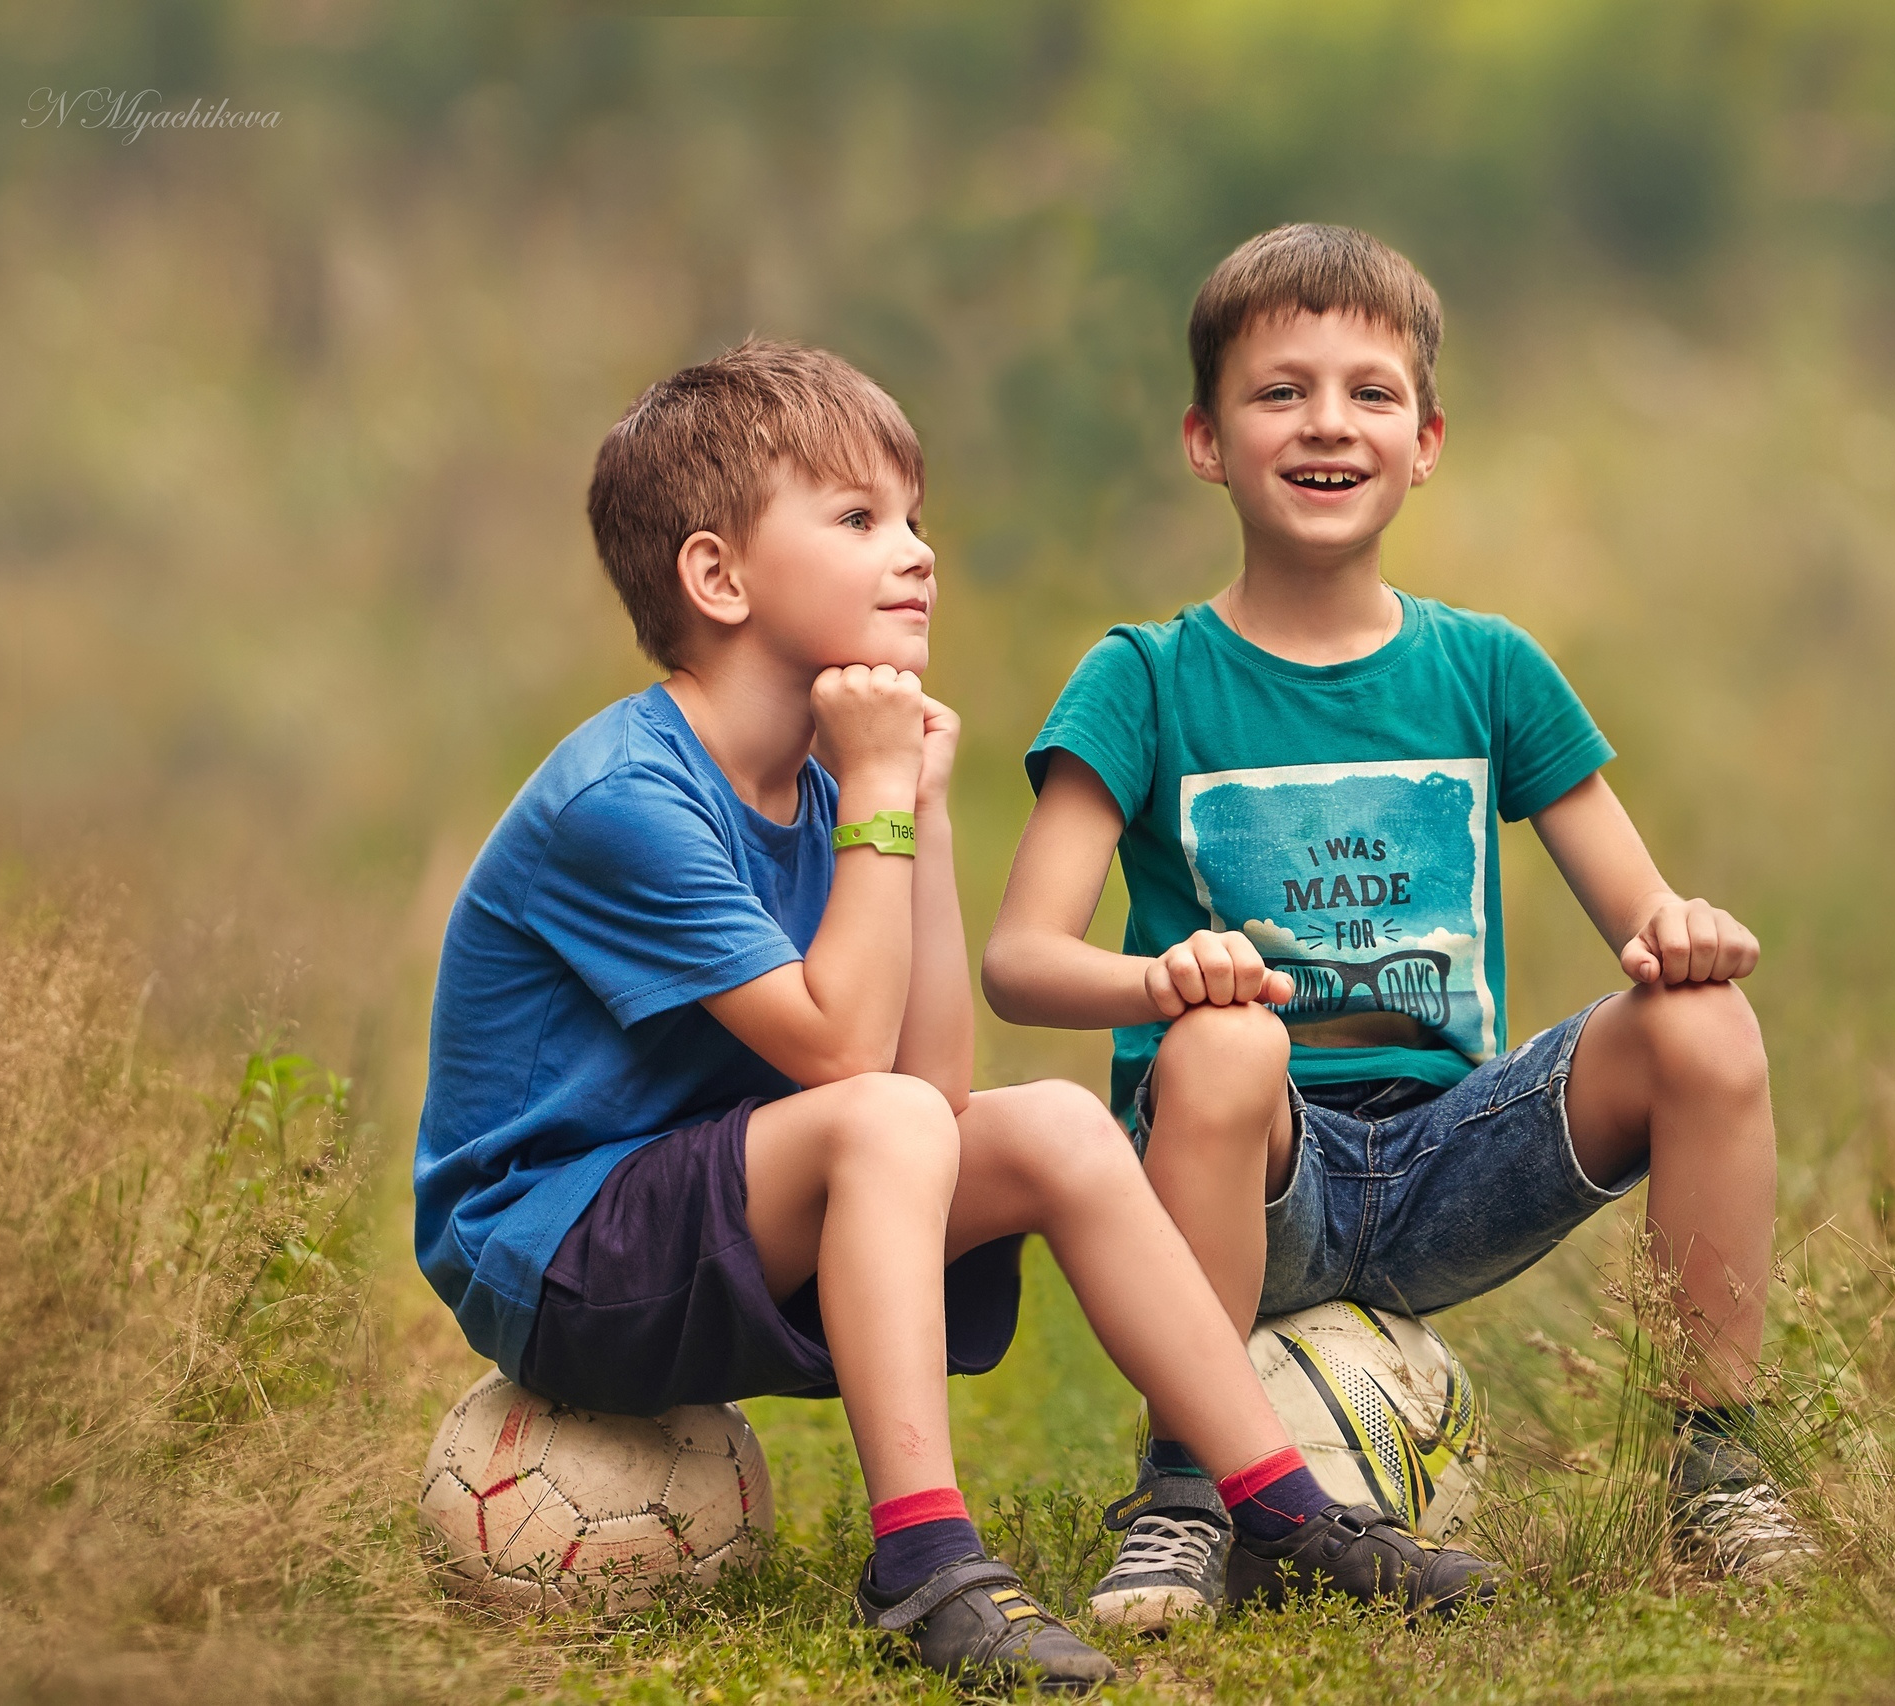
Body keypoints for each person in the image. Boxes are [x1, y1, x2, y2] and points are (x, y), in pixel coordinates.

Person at [412, 338, 1491, 1693]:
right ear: (717, 576)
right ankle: (922, 1557)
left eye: (916, 517)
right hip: (553, 1249)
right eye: (860, 519)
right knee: (875, 1120)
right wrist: (875, 795)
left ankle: (1278, 1505)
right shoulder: (627, 797)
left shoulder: (820, 789)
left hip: (724, 1201)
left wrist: (909, 804)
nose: (917, 552)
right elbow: (850, 1066)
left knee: (1049, 1129)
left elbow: (930, 1087)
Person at [983, 226, 1816, 1630]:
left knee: (1707, 1029)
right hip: (1248, 1163)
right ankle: (1185, 1493)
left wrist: (1686, 935)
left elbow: (1644, 914)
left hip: (1450, 1160)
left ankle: (1714, 1469)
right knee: (1231, 1045)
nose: (1327, 422)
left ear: (1426, 440)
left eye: (1370, 392)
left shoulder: (1487, 668)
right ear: (1204, 439)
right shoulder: (1146, 677)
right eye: (1279, 391)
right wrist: (1159, 975)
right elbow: (1020, 958)